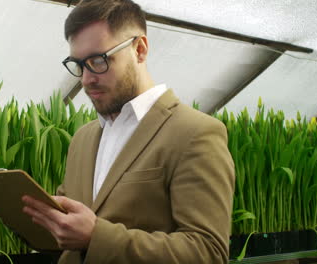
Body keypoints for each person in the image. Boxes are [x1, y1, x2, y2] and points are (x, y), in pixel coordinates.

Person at [22, 0, 235, 263]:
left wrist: (95, 236)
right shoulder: (83, 139)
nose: (87, 79)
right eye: (78, 64)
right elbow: (69, 228)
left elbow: (208, 252)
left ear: (140, 49)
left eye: (98, 60)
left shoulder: (195, 133)